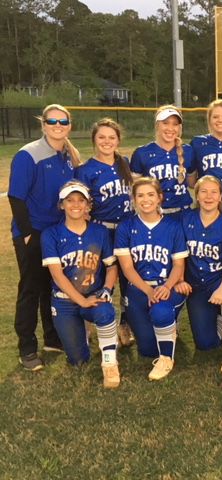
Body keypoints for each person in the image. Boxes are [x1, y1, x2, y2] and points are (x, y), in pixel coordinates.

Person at [8, 103, 81, 370]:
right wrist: (27, 233)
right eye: (52, 121)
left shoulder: (68, 156)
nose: (58, 126)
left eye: (63, 122)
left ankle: (52, 338)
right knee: (30, 289)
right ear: (43, 124)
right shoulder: (29, 154)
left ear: (69, 125)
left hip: (58, 232)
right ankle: (27, 347)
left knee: (51, 287)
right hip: (34, 232)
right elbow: (16, 197)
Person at [41, 181, 119, 388]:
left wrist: (107, 290)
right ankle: (80, 333)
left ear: (88, 206)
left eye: (80, 200)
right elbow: (57, 275)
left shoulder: (100, 232)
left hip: (93, 295)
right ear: (62, 204)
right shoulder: (51, 234)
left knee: (105, 312)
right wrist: (81, 301)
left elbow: (111, 267)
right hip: (65, 301)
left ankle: (110, 362)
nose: (75, 205)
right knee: (78, 360)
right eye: (70, 200)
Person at [114, 177, 188, 380]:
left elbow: (179, 265)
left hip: (167, 286)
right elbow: (127, 268)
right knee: (147, 348)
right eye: (140, 195)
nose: (145, 200)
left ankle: (166, 359)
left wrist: (167, 286)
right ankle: (166, 331)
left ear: (159, 198)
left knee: (161, 311)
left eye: (150, 194)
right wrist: (148, 291)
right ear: (134, 199)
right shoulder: (125, 227)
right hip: (138, 289)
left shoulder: (173, 226)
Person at [176, 175, 222, 374]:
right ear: (196, 195)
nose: (208, 196)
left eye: (213, 192)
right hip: (197, 284)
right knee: (205, 344)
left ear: (220, 197)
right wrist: (181, 279)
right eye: (203, 191)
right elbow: (178, 257)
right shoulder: (185, 220)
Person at [75, 118, 135, 347]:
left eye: (111, 137)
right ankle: (88, 324)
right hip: (100, 230)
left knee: (128, 279)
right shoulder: (85, 170)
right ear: (94, 140)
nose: (107, 141)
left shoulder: (125, 163)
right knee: (93, 277)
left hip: (127, 230)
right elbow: (81, 206)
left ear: (118, 140)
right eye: (101, 137)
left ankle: (125, 324)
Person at [130, 105, 196, 218]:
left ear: (179, 128)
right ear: (157, 125)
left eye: (175, 124)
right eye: (165, 123)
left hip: (184, 214)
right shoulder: (142, 153)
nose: (170, 128)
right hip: (155, 215)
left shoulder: (188, 151)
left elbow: (191, 183)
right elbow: (136, 190)